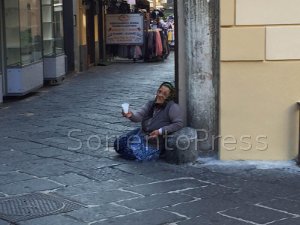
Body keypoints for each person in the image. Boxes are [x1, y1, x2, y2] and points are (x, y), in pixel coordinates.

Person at [114, 82, 184, 161]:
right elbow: (139, 116)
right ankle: (135, 146)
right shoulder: (151, 104)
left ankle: (151, 153)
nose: (160, 95)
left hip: (155, 143)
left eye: (165, 94)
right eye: (159, 91)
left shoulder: (172, 107)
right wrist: (130, 115)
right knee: (118, 144)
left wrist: (160, 131)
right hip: (142, 134)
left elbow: (178, 124)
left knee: (132, 154)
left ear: (169, 96)